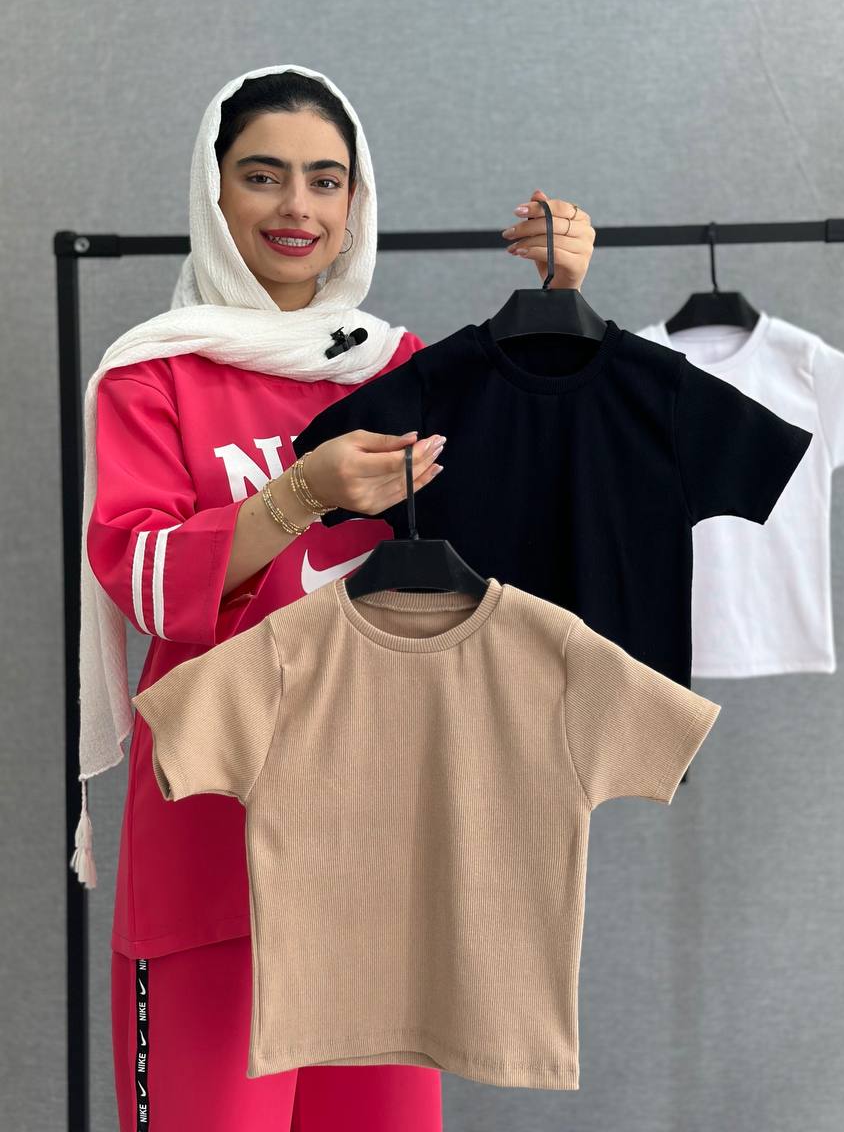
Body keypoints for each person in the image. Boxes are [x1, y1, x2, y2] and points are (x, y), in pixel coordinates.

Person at [75, 63, 597, 1131]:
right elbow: (143, 577)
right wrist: (300, 495)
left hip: (380, 847)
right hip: (216, 839)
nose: (297, 207)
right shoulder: (152, 375)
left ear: (356, 201)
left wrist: (559, 306)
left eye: (325, 179)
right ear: (214, 191)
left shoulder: (400, 367)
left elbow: (537, 508)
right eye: (263, 175)